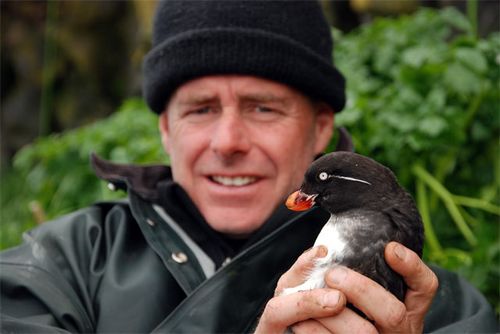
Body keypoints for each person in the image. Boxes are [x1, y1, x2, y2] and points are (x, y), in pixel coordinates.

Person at [1, 1, 496, 333]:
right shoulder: (56, 269)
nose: (229, 142)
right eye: (200, 109)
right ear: (165, 129)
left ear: (321, 127)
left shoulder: (439, 308)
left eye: (264, 107)